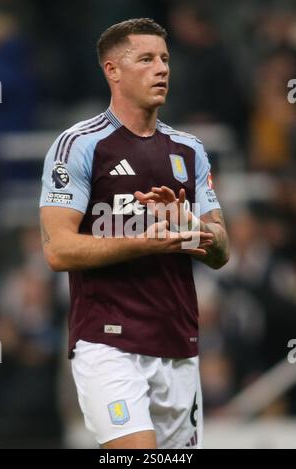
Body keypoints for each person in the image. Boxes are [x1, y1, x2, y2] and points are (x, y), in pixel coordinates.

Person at [39, 18, 229, 449]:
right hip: (109, 344)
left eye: (164, 59)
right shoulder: (80, 145)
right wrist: (145, 242)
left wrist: (192, 228)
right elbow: (58, 250)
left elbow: (222, 250)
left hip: (180, 344)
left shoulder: (189, 150)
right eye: (145, 59)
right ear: (112, 70)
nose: (161, 68)